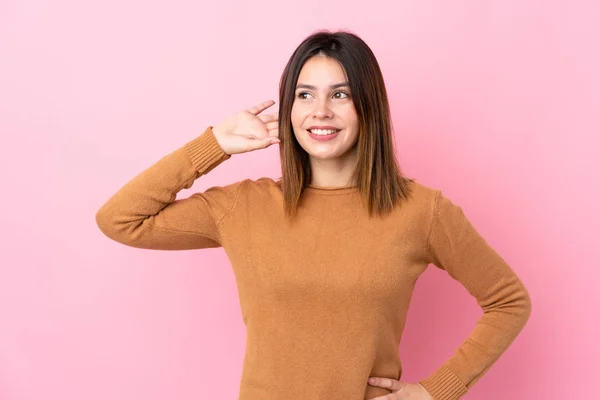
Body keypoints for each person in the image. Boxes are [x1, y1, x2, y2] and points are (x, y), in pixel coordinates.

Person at [95, 30, 532, 400]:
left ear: (368, 107)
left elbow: (508, 302)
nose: (320, 110)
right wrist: (213, 145)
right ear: (290, 109)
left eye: (340, 94)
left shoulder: (421, 211)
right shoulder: (242, 207)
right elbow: (121, 220)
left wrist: (438, 390)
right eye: (305, 95)